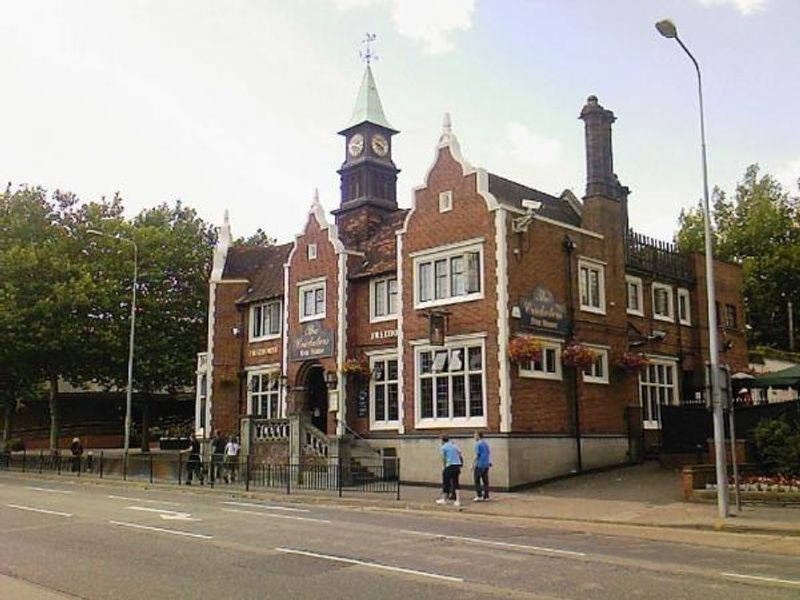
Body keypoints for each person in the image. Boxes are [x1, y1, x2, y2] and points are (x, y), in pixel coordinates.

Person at [436, 434, 463, 509]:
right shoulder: (454, 445)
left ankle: (444, 499)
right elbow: (460, 453)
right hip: (457, 465)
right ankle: (458, 500)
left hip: (449, 465)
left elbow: (444, 458)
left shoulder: (444, 447)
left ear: (442, 440)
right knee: (456, 482)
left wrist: (445, 466)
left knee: (446, 483)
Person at [473, 431, 491, 501]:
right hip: (486, 464)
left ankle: (479, 495)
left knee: (477, 480)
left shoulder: (478, 444)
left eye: (475, 435)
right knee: (485, 480)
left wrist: (473, 463)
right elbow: (488, 453)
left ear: (478, 436)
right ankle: (486, 496)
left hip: (479, 464)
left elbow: (478, 455)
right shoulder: (486, 444)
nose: (474, 437)